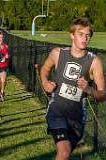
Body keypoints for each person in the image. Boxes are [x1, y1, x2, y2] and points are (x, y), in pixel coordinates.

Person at [40, 17, 106, 160]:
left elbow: (102, 95)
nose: (85, 38)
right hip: (56, 111)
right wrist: (45, 82)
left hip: (77, 118)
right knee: (64, 152)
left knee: (65, 154)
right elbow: (45, 68)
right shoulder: (58, 54)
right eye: (81, 34)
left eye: (88, 35)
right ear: (72, 35)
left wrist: (89, 90)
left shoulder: (95, 62)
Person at [0, 31, 9, 102]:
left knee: (3, 81)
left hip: (4, 66)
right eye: (0, 37)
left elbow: (7, 55)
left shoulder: (6, 46)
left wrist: (6, 56)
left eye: (2, 37)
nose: (1, 39)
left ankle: (2, 92)